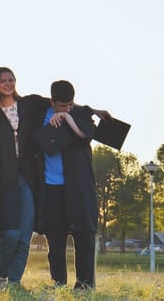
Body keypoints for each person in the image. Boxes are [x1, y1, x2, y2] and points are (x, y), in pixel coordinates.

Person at [0, 67, 52, 289]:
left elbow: (60, 103)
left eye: (11, 79)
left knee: (25, 234)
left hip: (27, 176)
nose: (8, 83)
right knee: (10, 234)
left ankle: (14, 281)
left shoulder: (29, 105)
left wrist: (91, 110)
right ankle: (1, 274)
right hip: (3, 179)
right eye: (3, 80)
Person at [34, 80, 98, 290]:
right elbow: (41, 141)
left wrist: (67, 116)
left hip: (78, 186)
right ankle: (58, 281)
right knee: (55, 237)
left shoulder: (79, 114)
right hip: (51, 187)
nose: (68, 108)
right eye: (63, 106)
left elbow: (85, 134)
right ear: (52, 101)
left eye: (71, 104)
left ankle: (85, 283)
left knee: (83, 235)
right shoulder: (39, 115)